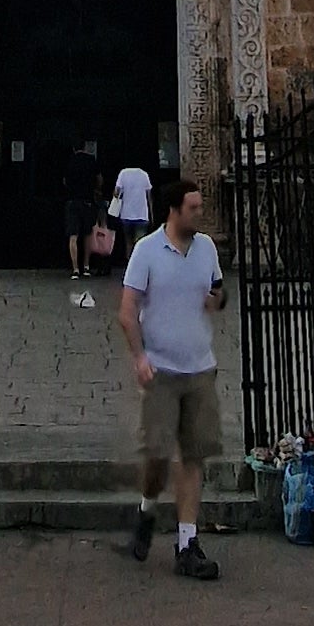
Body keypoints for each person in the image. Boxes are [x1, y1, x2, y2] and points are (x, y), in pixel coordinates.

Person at [117, 175, 226, 579]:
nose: (200, 213)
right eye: (194, 208)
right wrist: (139, 357)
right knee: (158, 457)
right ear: (174, 210)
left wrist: (218, 299)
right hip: (161, 370)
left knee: (193, 456)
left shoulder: (207, 248)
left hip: (200, 368)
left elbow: (220, 290)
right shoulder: (146, 251)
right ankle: (147, 509)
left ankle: (187, 541)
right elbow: (127, 311)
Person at [63, 136, 102, 306]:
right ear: (85, 146)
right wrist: (95, 190)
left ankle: (75, 269)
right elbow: (99, 179)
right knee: (87, 234)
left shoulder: (70, 161)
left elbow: (64, 180)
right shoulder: (91, 160)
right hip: (87, 201)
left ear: (73, 148)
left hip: (72, 201)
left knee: (73, 236)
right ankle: (86, 266)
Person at [108, 155, 153, 267]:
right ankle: (140, 265)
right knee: (140, 242)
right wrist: (151, 213)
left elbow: (116, 193)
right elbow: (149, 197)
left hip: (126, 213)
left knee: (128, 241)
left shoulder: (123, 173)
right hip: (142, 214)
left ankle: (130, 264)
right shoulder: (144, 174)